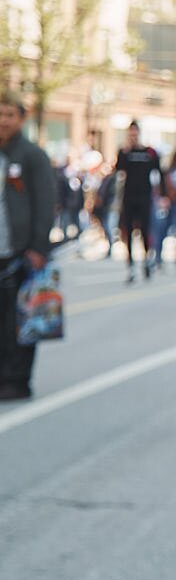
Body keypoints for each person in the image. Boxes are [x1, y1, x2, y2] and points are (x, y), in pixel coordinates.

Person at [0, 91, 55, 401]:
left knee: (20, 319)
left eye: (9, 114)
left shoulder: (31, 155)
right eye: (0, 114)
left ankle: (17, 378)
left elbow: (46, 202)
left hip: (21, 251)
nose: (3, 120)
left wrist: (38, 246)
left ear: (21, 118)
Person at [113, 121, 162, 283]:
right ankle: (131, 266)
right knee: (127, 231)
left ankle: (148, 259)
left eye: (135, 132)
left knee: (145, 230)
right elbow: (118, 169)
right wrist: (125, 151)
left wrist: (162, 196)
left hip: (145, 197)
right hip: (129, 197)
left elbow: (159, 172)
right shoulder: (124, 152)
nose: (133, 136)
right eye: (130, 133)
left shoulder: (150, 152)